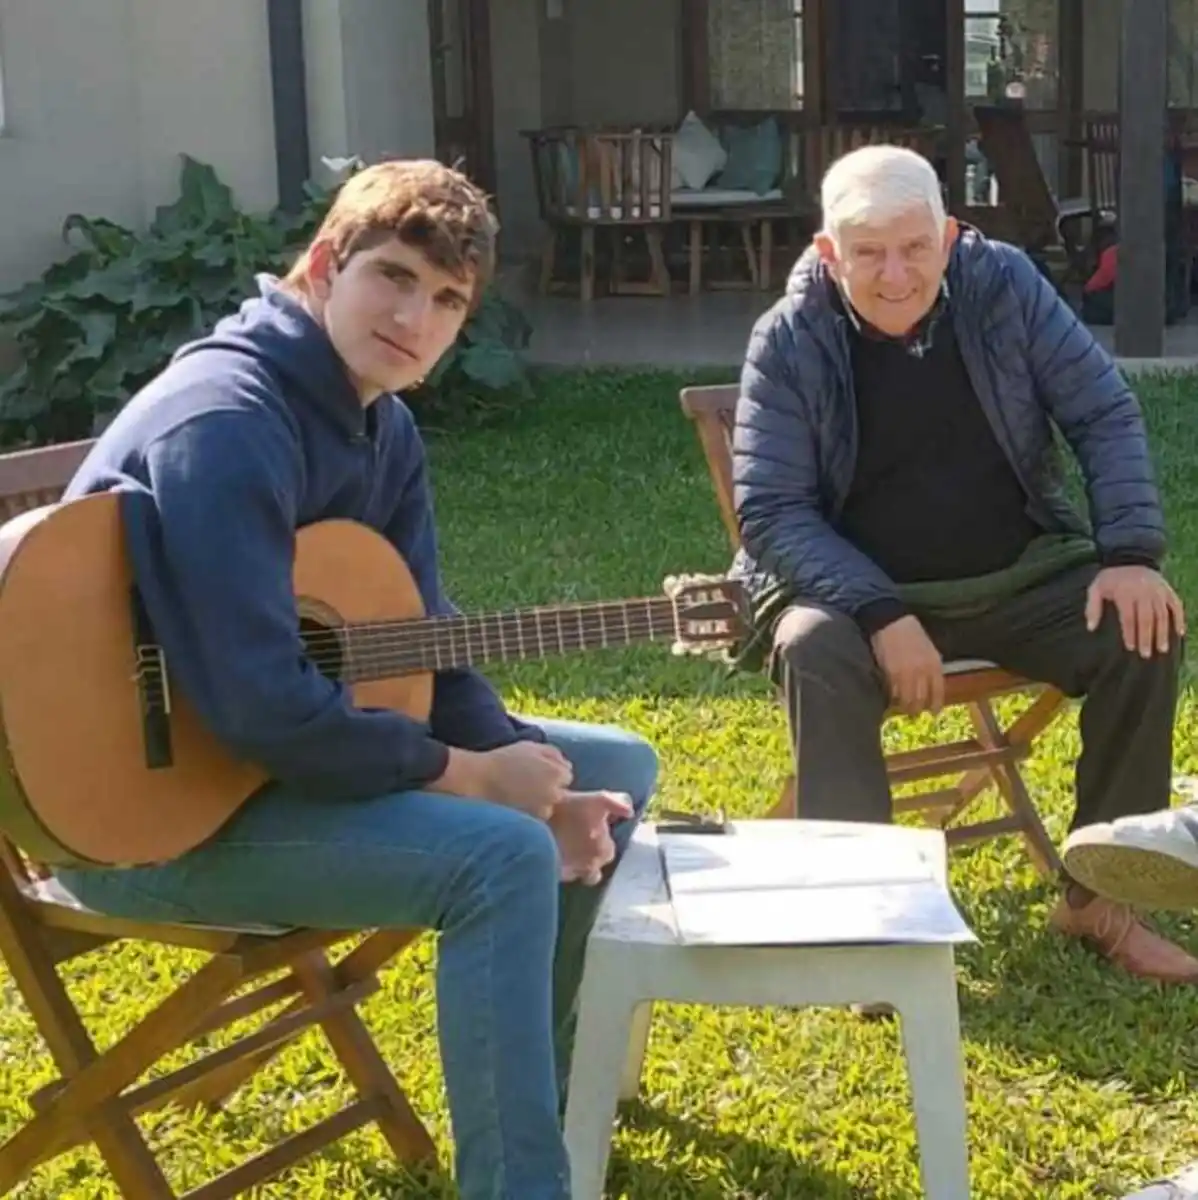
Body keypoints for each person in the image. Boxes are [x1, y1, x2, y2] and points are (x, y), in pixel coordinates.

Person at [52, 159, 658, 1200]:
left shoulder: (381, 422)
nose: (413, 316)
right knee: (502, 857)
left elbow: (422, 636)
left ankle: (543, 1100)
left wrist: (513, 760)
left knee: (615, 765)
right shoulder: (228, 419)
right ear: (326, 264)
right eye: (392, 277)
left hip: (257, 771)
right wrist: (468, 779)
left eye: (447, 299)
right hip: (146, 819)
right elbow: (259, 704)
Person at [731, 144, 1196, 984]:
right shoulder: (788, 337)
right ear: (830, 252)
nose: (897, 273)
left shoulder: (1007, 287)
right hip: (857, 596)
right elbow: (773, 511)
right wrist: (879, 612)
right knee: (808, 647)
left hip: (1014, 572)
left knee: (1144, 630)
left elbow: (1102, 411)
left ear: (948, 237)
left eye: (915, 247)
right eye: (868, 252)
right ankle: (864, 924)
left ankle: (1097, 900)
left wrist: (1129, 553)